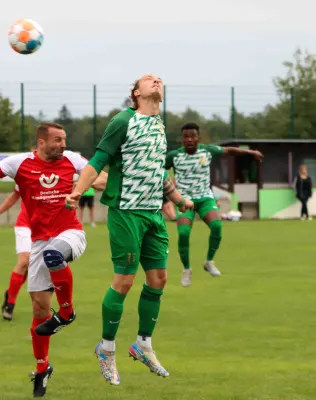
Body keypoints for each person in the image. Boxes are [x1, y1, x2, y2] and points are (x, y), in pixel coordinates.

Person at [0, 122, 107, 397]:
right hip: (38, 243)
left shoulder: (72, 160)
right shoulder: (19, 163)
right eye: (58, 140)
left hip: (71, 234)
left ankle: (67, 313)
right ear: (41, 143)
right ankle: (42, 367)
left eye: (65, 139)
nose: (63, 144)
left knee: (54, 254)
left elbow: (99, 177)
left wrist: (109, 180)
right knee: (39, 310)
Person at [65, 74, 194, 386]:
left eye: (159, 79)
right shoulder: (123, 120)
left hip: (153, 214)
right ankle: (106, 349)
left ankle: (142, 345)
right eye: (149, 80)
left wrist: (177, 198)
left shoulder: (160, 125)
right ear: (136, 93)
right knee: (123, 282)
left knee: (159, 279)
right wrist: (79, 191)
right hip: (126, 211)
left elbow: (157, 170)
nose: (156, 81)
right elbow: (98, 160)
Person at [165, 123, 264, 287]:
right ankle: (186, 270)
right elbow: (158, 170)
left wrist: (250, 152)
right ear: (182, 139)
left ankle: (209, 261)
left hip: (205, 198)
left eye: (192, 136)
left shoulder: (207, 151)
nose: (189, 139)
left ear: (198, 138)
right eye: (186, 137)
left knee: (217, 226)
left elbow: (230, 151)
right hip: (184, 200)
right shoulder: (174, 156)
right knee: (183, 233)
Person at [0, 185, 30, 320]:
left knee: (32, 267)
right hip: (25, 224)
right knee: (24, 261)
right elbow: (15, 195)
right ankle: (10, 304)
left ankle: (10, 292)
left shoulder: (60, 170)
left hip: (47, 226)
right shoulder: (26, 169)